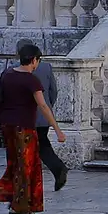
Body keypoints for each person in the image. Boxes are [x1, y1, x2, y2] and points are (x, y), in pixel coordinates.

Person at [0, 39, 56, 214]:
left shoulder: (7, 74)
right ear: (34, 60)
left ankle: (13, 199)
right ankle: (21, 205)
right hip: (24, 127)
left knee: (15, 163)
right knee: (27, 166)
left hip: (7, 125)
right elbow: (43, 106)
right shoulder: (31, 80)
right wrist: (57, 129)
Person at [29, 46, 69, 192]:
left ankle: (58, 169)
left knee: (32, 148)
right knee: (43, 144)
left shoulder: (14, 69)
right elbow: (54, 90)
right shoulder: (46, 67)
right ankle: (58, 169)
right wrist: (49, 106)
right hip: (44, 115)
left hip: (26, 117)